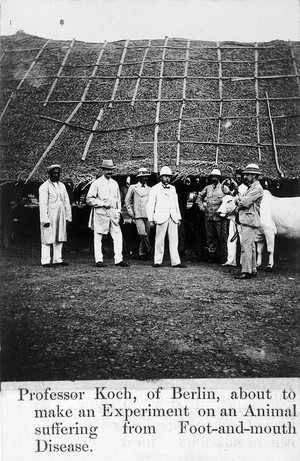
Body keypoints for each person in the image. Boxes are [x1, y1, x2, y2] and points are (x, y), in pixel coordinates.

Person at [86, 159, 129, 267]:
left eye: (111, 170)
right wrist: (102, 203)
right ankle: (98, 260)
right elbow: (89, 199)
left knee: (118, 236)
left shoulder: (114, 183)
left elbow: (119, 200)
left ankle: (118, 259)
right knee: (98, 236)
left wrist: (119, 212)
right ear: (103, 170)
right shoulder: (96, 183)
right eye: (107, 170)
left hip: (113, 214)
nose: (109, 172)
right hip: (101, 213)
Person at [146, 166, 186, 268]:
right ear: (161, 177)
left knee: (174, 240)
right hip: (160, 216)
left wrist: (178, 217)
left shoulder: (173, 188)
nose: (167, 178)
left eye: (169, 177)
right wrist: (151, 219)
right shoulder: (155, 188)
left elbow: (176, 203)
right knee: (159, 239)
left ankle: (176, 261)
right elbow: (151, 204)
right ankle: (157, 261)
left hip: (172, 216)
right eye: (165, 177)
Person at [39, 164, 72, 267]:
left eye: (58, 173)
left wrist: (68, 216)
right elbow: (43, 204)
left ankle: (58, 259)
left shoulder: (62, 186)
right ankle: (45, 260)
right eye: (54, 173)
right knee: (48, 236)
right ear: (49, 174)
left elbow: (66, 201)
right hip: (50, 213)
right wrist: (45, 219)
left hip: (60, 213)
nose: (56, 175)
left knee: (60, 236)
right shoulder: (44, 187)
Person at [234, 163, 264, 279]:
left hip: (249, 220)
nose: (245, 177)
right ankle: (252, 269)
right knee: (250, 246)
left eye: (248, 175)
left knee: (246, 245)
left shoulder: (256, 188)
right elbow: (245, 200)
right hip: (249, 219)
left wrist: (238, 201)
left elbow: (244, 202)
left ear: (254, 175)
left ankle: (246, 271)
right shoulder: (253, 187)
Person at [196, 168, 228, 263]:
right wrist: (202, 207)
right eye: (213, 177)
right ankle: (212, 255)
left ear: (219, 178)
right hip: (209, 216)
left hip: (220, 217)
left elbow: (230, 198)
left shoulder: (224, 188)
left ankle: (224, 256)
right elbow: (199, 198)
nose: (214, 178)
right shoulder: (207, 188)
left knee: (222, 236)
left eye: (216, 177)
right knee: (210, 237)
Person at [221, 169, 248, 267]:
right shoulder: (231, 189)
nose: (238, 179)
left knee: (242, 238)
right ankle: (231, 260)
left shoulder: (245, 188)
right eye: (236, 177)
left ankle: (242, 261)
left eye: (239, 177)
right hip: (233, 216)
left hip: (242, 216)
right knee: (231, 237)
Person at [125, 167, 152, 260]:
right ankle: (149, 249)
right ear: (139, 178)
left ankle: (142, 253)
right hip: (138, 214)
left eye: (146, 177)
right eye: (144, 177)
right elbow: (127, 200)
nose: (146, 178)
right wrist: (130, 212)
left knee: (146, 235)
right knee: (142, 233)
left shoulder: (150, 189)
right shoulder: (133, 187)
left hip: (147, 214)